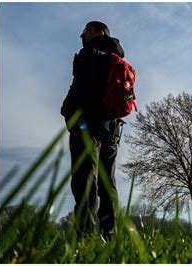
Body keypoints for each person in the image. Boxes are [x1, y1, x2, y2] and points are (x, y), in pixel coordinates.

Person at [61, 21, 124, 238]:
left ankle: (85, 237)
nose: (82, 34)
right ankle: (109, 235)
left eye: (87, 30)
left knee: (85, 179)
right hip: (113, 128)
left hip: (89, 124)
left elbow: (81, 87)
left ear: (101, 32)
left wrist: (67, 111)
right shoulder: (117, 56)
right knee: (108, 182)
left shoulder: (90, 53)